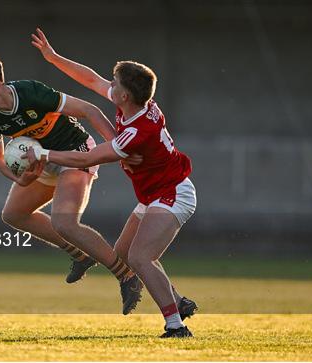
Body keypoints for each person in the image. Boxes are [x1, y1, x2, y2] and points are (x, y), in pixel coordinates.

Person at [29, 29, 198, 337]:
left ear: (124, 96)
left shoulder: (136, 132)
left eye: (115, 83)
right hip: (153, 195)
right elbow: (92, 80)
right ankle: (177, 301)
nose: (110, 85)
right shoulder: (134, 104)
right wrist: (53, 57)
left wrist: (42, 153)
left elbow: (86, 159)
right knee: (123, 256)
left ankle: (175, 326)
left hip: (173, 194)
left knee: (140, 257)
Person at [0, 56, 142, 315]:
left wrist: (118, 148)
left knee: (65, 222)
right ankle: (80, 255)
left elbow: (90, 110)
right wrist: (19, 179)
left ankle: (127, 276)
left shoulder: (32, 93)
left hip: (75, 152)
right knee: (13, 214)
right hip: (43, 162)